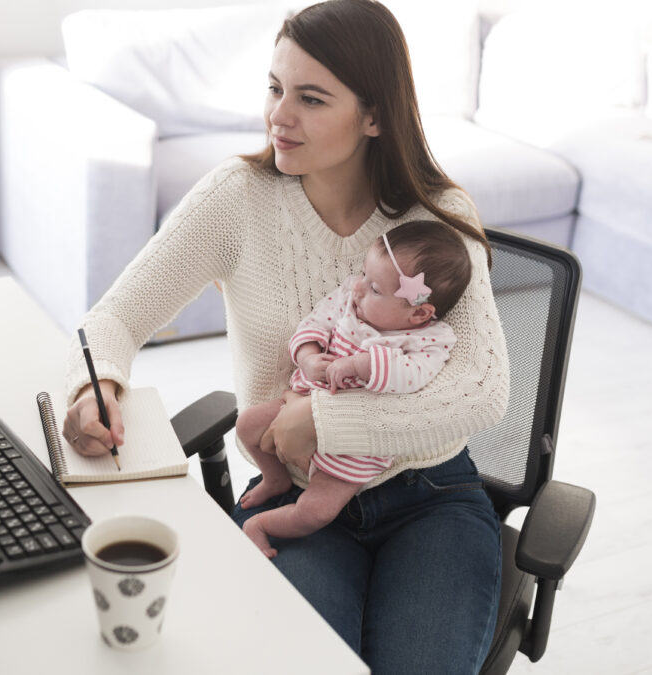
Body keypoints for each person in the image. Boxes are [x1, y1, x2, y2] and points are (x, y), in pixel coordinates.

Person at [63, 1, 509, 672]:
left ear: (375, 115)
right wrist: (98, 385)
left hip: (431, 498)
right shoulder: (236, 198)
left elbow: (482, 392)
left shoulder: (438, 219)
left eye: (311, 97)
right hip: (294, 497)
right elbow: (115, 317)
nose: (279, 115)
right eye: (275, 88)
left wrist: (325, 418)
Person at [237, 220, 471, 559]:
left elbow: (415, 377)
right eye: (364, 274)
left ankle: (260, 525)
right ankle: (275, 478)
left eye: (375, 288)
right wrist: (308, 357)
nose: (358, 288)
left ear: (419, 312)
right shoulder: (349, 300)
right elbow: (314, 323)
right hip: (299, 403)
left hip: (356, 449)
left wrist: (363, 365)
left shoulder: (428, 340)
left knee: (315, 512)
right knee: (247, 425)